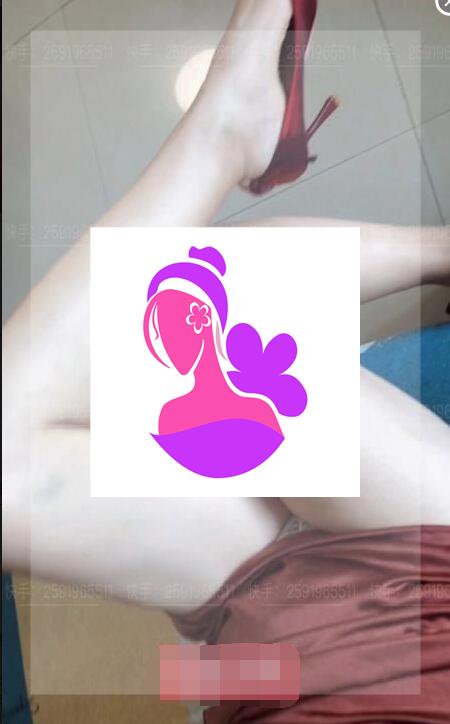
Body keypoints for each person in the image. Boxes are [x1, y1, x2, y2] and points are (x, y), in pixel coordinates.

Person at [3, 0, 450, 617]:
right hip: (405, 622)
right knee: (200, 308)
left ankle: (231, 130)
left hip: (272, 621)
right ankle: (227, 129)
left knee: (186, 297)